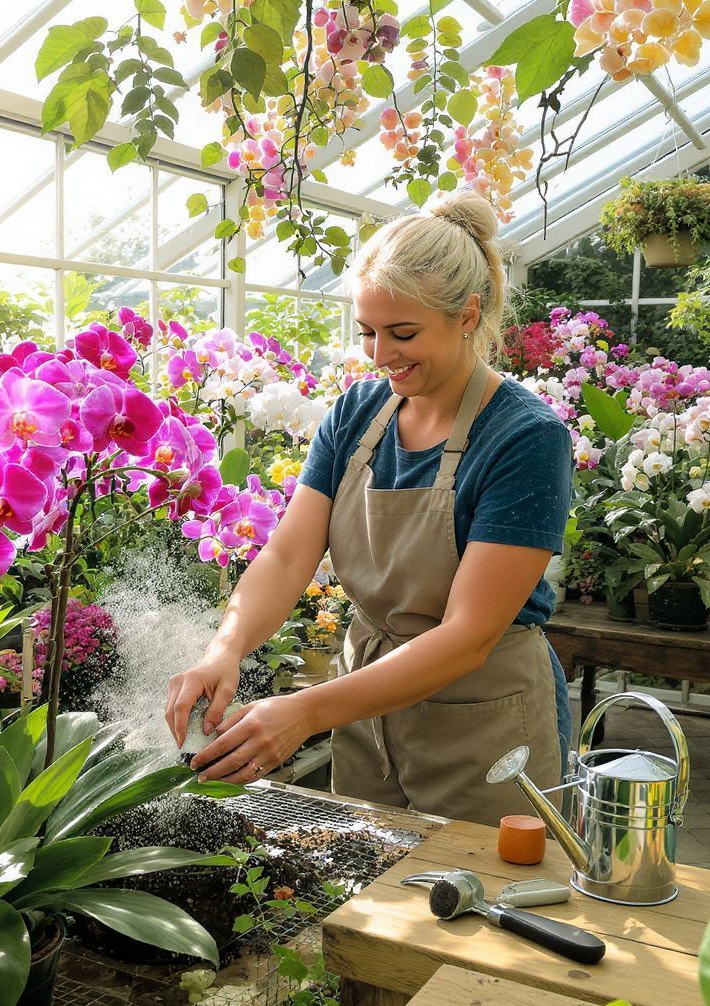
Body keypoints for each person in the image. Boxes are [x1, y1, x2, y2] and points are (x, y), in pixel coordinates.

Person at [164, 191, 574, 827]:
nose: (381, 356)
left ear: (467, 315)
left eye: (403, 333)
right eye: (368, 332)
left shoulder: (525, 437)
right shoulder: (357, 414)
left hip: (485, 723)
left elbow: (467, 637)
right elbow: (287, 556)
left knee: (478, 886)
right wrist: (227, 646)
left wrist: (307, 711)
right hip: (365, 708)